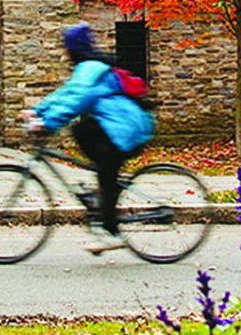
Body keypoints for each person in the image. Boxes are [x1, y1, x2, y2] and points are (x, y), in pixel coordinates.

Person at [24, 22, 153, 254]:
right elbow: (65, 94)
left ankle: (110, 232)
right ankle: (104, 194)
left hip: (126, 130)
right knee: (82, 131)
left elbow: (76, 101)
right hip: (115, 126)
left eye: (67, 47)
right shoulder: (87, 68)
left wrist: (47, 124)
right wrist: (38, 110)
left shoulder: (91, 69)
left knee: (105, 171)